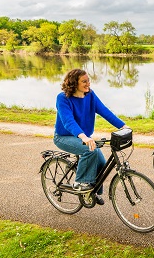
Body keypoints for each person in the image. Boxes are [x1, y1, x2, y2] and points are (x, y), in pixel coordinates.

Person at [53, 69, 128, 205]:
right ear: (74, 83)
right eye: (84, 81)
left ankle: (92, 192)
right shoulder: (63, 98)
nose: (88, 84)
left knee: (101, 164)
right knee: (89, 150)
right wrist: (84, 137)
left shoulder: (90, 95)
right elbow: (68, 121)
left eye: (88, 80)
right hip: (64, 137)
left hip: (83, 137)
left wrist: (123, 127)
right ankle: (80, 183)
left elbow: (104, 111)